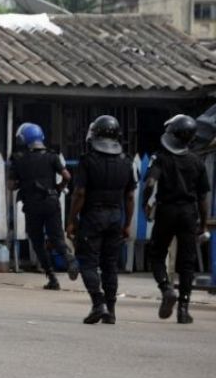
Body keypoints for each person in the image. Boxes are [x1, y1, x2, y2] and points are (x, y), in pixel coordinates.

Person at [66, 115, 136, 324]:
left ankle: (98, 304)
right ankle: (111, 311)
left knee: (88, 262)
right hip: (115, 216)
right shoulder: (126, 161)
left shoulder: (87, 161)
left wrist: (71, 219)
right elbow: (130, 196)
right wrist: (127, 223)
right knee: (110, 265)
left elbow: (79, 193)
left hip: (93, 217)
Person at [142, 114, 211, 324]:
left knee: (156, 254)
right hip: (189, 214)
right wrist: (203, 223)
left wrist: (147, 204)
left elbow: (150, 184)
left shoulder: (161, 158)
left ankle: (166, 288)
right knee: (187, 263)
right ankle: (183, 309)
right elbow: (203, 197)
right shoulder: (197, 162)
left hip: (166, 211)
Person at [8, 122, 79, 290]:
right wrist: (58, 189)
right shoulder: (52, 156)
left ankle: (52, 278)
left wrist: (23, 182)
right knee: (56, 237)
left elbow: (11, 185)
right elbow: (67, 176)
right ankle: (69, 258)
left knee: (38, 242)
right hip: (51, 202)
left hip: (32, 206)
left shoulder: (19, 159)